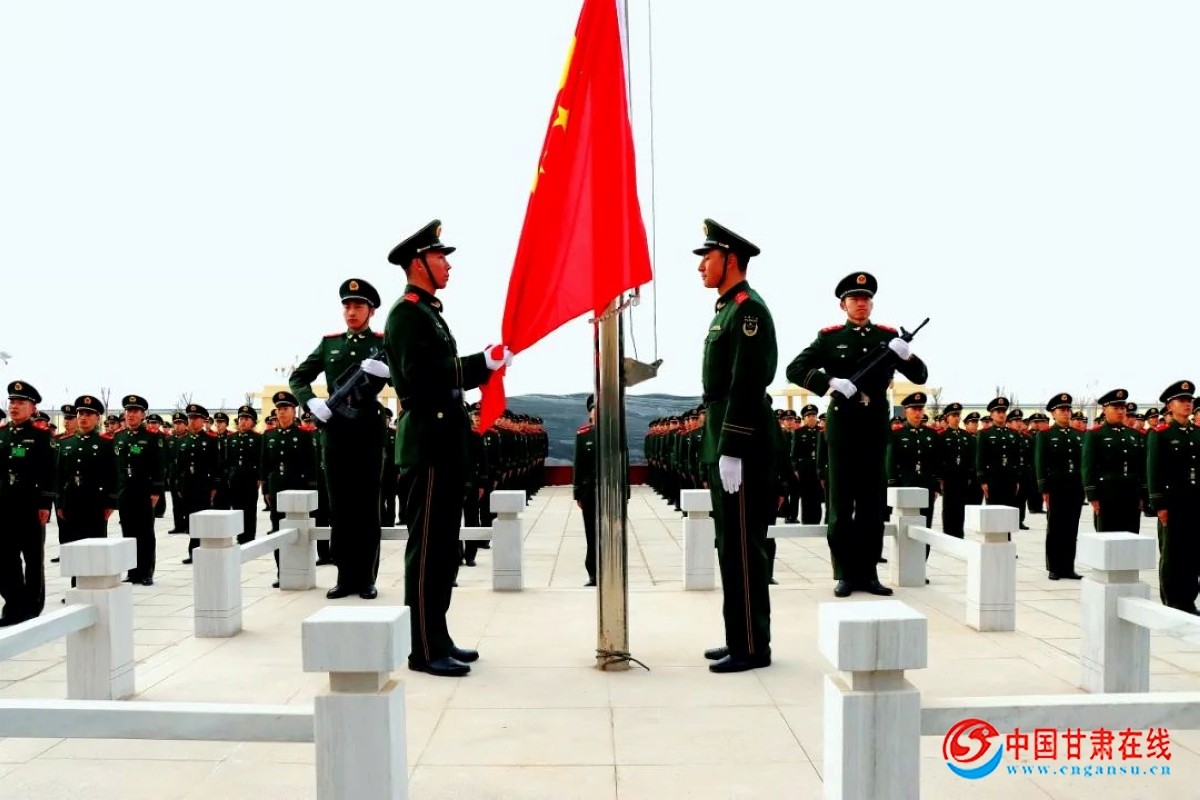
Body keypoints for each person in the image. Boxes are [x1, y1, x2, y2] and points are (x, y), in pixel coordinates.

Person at [383, 219, 512, 677]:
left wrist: (481, 365)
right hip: (428, 445)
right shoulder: (406, 314)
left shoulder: (429, 313)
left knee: (443, 551)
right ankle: (422, 647)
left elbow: (442, 370)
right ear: (418, 263)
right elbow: (422, 377)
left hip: (444, 444)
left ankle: (437, 635)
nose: (448, 265)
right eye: (440, 257)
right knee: (427, 551)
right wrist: (480, 364)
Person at [786, 271, 929, 598]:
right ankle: (844, 573)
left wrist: (906, 355)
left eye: (865, 299)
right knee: (841, 502)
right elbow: (794, 369)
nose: (860, 303)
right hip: (843, 425)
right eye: (854, 299)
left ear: (872, 304)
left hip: (874, 424)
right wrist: (829, 383)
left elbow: (920, 375)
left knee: (872, 503)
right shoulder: (829, 338)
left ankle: (868, 573)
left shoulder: (887, 337)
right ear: (843, 305)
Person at [691, 219, 778, 673]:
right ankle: (739, 637)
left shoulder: (748, 311)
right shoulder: (725, 310)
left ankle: (752, 647)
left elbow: (747, 382)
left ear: (730, 259)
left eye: (707, 257)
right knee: (729, 546)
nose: (701, 266)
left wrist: (732, 446)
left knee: (744, 548)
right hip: (722, 433)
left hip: (739, 439)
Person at [290, 278, 390, 599]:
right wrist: (311, 401)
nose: (351, 312)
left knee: (367, 504)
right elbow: (298, 377)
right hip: (336, 430)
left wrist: (391, 372)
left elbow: (408, 375)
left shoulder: (383, 343)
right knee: (340, 505)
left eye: (358, 306)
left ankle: (367, 578)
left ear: (371, 311)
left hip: (368, 429)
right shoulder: (329, 344)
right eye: (347, 306)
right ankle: (345, 576)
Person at [0, 382, 55, 625]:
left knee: (33, 560)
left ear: (33, 408)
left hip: (30, 507)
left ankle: (32, 607)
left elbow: (50, 472)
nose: (14, 406)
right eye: (12, 402)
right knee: (5, 559)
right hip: (4, 506)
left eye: (21, 402)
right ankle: (13, 606)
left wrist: (45, 504)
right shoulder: (2, 434)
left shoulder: (41, 436)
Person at [1146, 380, 1200, 614]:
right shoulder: (1161, 435)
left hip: (1195, 502)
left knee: (1193, 552)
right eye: (1182, 401)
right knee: (1173, 552)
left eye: (1189, 401)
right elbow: (1154, 471)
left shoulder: (1197, 434)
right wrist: (1159, 504)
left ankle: (1188, 599)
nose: (1187, 404)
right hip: (1173, 503)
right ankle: (1172, 599)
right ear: (1170, 405)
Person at [260, 391, 319, 587]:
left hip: (298, 489)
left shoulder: (304, 435)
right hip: (276, 489)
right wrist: (266, 490)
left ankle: (300, 570)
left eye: (285, 408)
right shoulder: (269, 435)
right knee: (278, 529)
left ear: (294, 411)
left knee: (299, 531)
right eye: (279, 409)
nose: (281, 412)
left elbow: (311, 464)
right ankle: (282, 572)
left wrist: (311, 490)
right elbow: (265, 465)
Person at [112, 394, 164, 585]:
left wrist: (156, 490)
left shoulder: (152, 436)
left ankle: (146, 572)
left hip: (144, 490)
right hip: (125, 491)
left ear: (143, 415)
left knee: (145, 533)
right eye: (128, 411)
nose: (130, 415)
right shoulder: (119, 436)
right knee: (128, 532)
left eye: (135, 411)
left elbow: (159, 464)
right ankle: (132, 572)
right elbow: (116, 467)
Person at [1035, 393, 1083, 580]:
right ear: (1053, 413)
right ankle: (1054, 567)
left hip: (1075, 487)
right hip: (1056, 488)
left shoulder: (1078, 435)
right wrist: (1044, 488)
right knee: (1055, 527)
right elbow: (1040, 463)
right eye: (1062, 410)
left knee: (1072, 528)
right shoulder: (1045, 435)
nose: (1066, 413)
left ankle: (1068, 566)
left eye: (1068, 410)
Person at [1082, 389, 1144, 533]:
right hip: (1106, 495)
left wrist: (1142, 493)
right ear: (1104, 409)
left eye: (1122, 408)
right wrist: (1092, 495)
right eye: (1116, 408)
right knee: (1107, 537)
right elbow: (1088, 467)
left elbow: (1140, 466)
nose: (1121, 412)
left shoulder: (1134, 434)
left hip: (1131, 495)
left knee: (1131, 536)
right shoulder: (1095, 435)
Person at [887, 392, 939, 530]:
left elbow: (936, 461)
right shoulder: (897, 435)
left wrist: (936, 486)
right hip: (905, 484)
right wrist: (892, 485)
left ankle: (924, 546)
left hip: (926, 486)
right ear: (906, 412)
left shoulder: (931, 434)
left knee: (926, 524)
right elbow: (891, 462)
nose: (918, 413)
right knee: (906, 525)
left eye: (920, 409)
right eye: (914, 409)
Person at [178, 404, 220, 563]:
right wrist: (178, 485)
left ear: (203, 421)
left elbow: (216, 465)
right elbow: (179, 466)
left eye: (196, 418)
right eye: (190, 418)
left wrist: (214, 486)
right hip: (188, 485)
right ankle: (193, 551)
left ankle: (205, 548)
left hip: (203, 485)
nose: (192, 421)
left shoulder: (210, 440)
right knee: (190, 519)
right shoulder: (183, 441)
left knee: (203, 518)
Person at [976, 397, 1023, 538]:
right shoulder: (984, 434)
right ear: (992, 414)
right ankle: (993, 542)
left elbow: (1016, 459)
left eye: (1003, 411)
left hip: (1009, 480)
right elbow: (980, 458)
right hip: (993, 481)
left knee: (1007, 515)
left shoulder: (1013, 434)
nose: (1001, 414)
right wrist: (982, 480)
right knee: (994, 514)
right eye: (998, 412)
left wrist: (1017, 479)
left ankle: (1006, 542)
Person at [226, 405, 263, 545]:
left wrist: (260, 477)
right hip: (235, 478)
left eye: (247, 419)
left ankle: (249, 536)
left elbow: (261, 459)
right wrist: (229, 474)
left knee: (249, 509)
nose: (243, 421)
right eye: (241, 418)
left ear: (253, 422)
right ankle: (239, 535)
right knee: (236, 507)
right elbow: (228, 460)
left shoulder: (258, 438)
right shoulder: (231, 438)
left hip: (250, 478)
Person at [573, 395, 597, 586]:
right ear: (590, 413)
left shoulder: (614, 433)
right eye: (594, 409)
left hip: (610, 491)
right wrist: (577, 493)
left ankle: (611, 569)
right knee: (591, 533)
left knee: (610, 533)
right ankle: (593, 572)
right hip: (589, 492)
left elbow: (623, 461)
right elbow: (578, 465)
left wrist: (625, 492)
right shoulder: (583, 435)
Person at [938, 402, 972, 537]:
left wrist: (969, 475)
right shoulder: (942, 436)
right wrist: (940, 478)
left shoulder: (966, 436)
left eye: (958, 415)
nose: (956, 418)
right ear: (947, 418)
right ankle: (948, 532)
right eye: (953, 415)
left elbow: (969, 457)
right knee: (949, 506)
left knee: (960, 506)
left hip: (962, 477)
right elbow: (939, 458)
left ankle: (959, 532)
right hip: (949, 477)